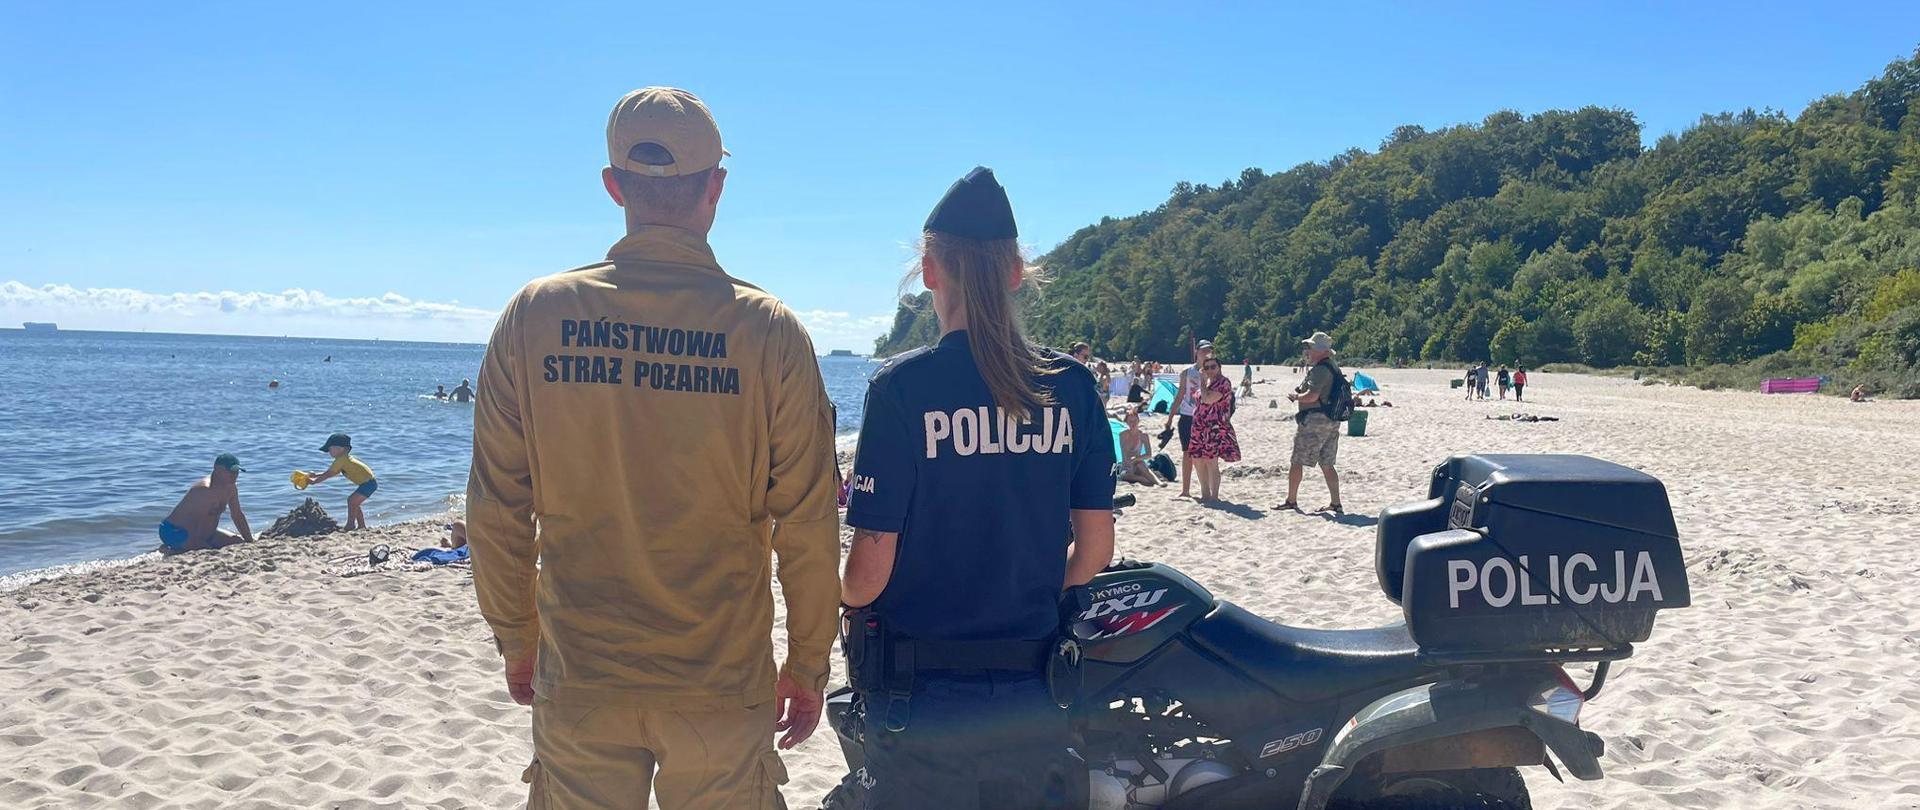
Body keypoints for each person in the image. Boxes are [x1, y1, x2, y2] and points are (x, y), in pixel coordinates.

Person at [465, 87, 838, 810]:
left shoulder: (536, 314)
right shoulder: (768, 330)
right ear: (716, 188)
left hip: (583, 674)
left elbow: (497, 509)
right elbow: (808, 523)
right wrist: (809, 662)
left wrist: (517, 634)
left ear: (613, 187)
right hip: (719, 685)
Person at [838, 166, 1115, 809]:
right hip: (1034, 689)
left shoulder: (903, 389)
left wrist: (838, 593)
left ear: (931, 271)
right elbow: (1094, 552)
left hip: (921, 699)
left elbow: (869, 571)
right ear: (1016, 271)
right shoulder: (1071, 387)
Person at [1280, 332, 1343, 513]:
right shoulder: (1332, 367)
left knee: (1297, 460)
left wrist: (1296, 396)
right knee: (1327, 463)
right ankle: (1336, 503)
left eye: (1311, 347)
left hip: (1316, 420)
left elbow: (1312, 396)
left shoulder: (1321, 370)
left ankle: (1291, 500)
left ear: (1319, 350)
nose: (1308, 351)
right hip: (1331, 420)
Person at [158, 453, 254, 552]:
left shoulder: (231, 488)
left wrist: (250, 541)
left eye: (237, 471)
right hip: (175, 530)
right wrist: (203, 544)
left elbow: (237, 515)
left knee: (238, 542)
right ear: (218, 470)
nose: (235, 475)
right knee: (207, 549)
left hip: (205, 531)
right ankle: (170, 547)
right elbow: (195, 523)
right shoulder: (204, 490)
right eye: (231, 471)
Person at [1162, 340, 1214, 498]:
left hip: (1205, 417)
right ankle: (1186, 490)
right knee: (1187, 453)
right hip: (1187, 416)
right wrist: (1170, 418)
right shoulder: (1187, 372)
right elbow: (1179, 396)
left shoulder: (1212, 370)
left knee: (1206, 454)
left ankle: (1208, 490)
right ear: (1197, 352)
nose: (1206, 354)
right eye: (1203, 351)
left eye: (1209, 351)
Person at [1187, 357, 1240, 501]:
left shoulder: (1224, 383)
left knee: (1211, 461)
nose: (1210, 370)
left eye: (1213, 366)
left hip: (1214, 427)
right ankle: (1205, 493)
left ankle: (1214, 496)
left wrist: (1202, 382)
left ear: (1219, 367)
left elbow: (1207, 399)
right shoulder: (1208, 383)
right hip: (1199, 426)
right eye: (1207, 367)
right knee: (1197, 459)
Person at [303, 433, 377, 531]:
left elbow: (328, 474)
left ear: (340, 449)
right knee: (354, 503)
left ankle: (350, 525)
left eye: (330, 449)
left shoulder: (341, 460)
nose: (329, 452)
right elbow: (332, 472)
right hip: (368, 483)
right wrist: (315, 475)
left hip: (368, 484)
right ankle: (361, 526)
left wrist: (313, 482)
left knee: (351, 501)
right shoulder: (344, 459)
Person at [1116, 406, 1160, 486]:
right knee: (1125, 474)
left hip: (1138, 463)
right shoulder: (1123, 435)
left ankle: (1158, 482)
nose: (1133, 423)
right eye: (1130, 421)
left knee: (1140, 464)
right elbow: (1124, 453)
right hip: (1127, 466)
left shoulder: (1143, 436)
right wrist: (1131, 462)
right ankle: (1141, 479)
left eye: (1135, 421)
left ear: (1138, 421)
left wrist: (1137, 458)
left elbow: (1149, 455)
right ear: (1127, 422)